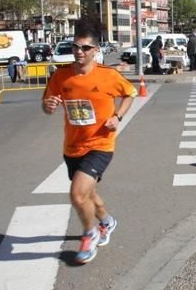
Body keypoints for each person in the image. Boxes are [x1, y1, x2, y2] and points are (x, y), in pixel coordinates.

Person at [42, 29, 137, 264]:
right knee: (89, 193)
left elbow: (130, 93)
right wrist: (49, 105)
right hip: (72, 146)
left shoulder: (108, 75)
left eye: (85, 48)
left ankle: (90, 233)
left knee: (77, 194)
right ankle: (107, 221)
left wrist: (118, 117)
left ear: (96, 51)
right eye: (75, 47)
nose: (79, 52)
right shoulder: (60, 76)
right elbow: (46, 106)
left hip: (100, 144)